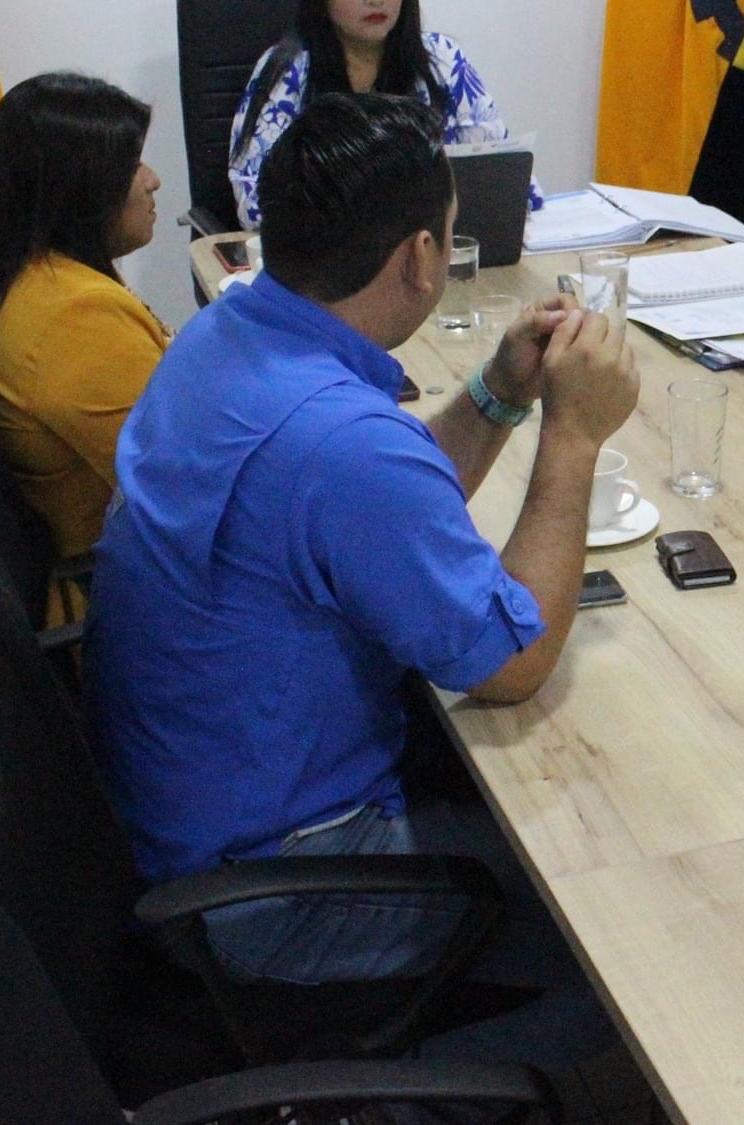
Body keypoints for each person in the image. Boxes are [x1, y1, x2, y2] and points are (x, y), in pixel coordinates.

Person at [85, 93, 638, 1072]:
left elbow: (367, 518)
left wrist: (499, 392)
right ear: (421, 256)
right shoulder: (341, 443)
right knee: (628, 922)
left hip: (183, 815)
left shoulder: (225, 334)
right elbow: (510, 663)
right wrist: (574, 434)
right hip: (278, 891)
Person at [0, 72, 169, 626]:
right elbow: (188, 484)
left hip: (113, 568)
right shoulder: (76, 316)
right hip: (134, 600)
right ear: (81, 191)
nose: (154, 180)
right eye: (133, 165)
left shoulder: (22, 278)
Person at [227, 0, 542, 228]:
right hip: (329, 251)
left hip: (433, 246)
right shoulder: (289, 72)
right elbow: (255, 203)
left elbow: (507, 178)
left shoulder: (442, 60)